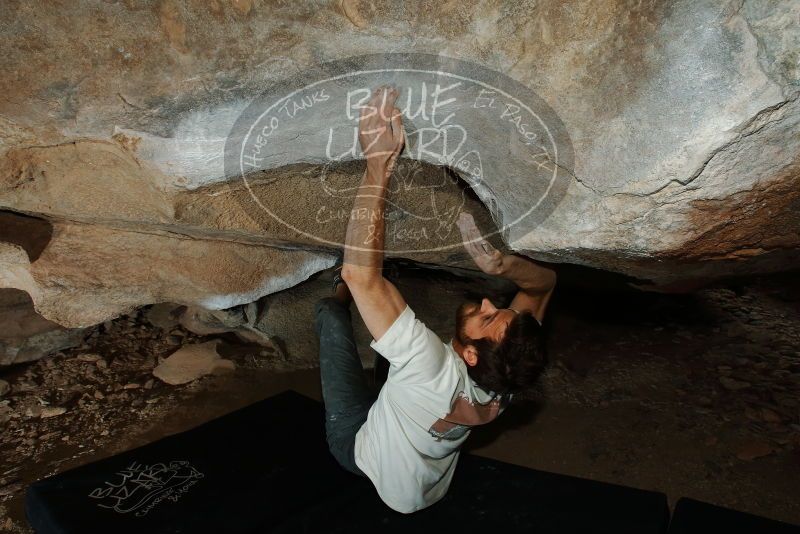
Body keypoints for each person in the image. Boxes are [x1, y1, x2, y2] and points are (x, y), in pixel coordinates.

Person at [314, 85, 556, 514]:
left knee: (333, 317)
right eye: (496, 308)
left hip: (356, 445)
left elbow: (361, 275)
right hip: (422, 479)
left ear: (469, 355)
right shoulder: (508, 376)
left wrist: (378, 165)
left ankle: (332, 295)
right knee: (396, 350)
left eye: (486, 318)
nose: (486, 304)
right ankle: (384, 360)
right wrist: (504, 268)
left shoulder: (431, 365)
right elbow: (544, 284)